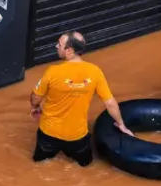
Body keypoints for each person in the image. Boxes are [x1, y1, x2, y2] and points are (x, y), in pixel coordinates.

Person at [29, 31, 134, 166]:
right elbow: (110, 103)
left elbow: (35, 97)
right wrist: (121, 125)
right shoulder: (95, 72)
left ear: (69, 50)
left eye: (59, 45)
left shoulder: (52, 72)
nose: (56, 47)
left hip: (48, 133)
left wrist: (35, 107)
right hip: (77, 137)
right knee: (86, 164)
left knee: (38, 164)